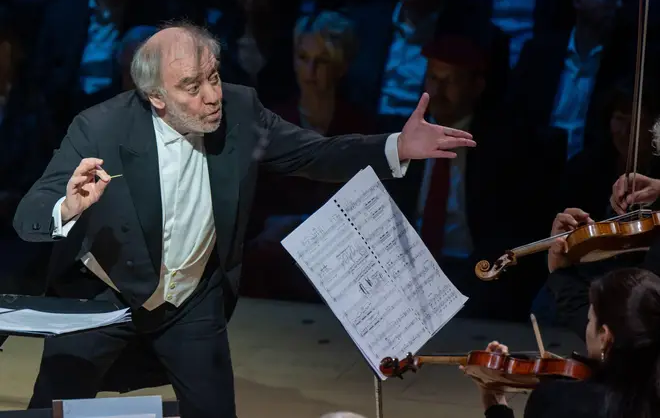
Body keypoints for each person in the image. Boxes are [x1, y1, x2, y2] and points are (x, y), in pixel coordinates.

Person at [12, 22, 476, 418]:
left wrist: (395, 146)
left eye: (213, 77)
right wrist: (68, 208)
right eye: (192, 88)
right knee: (49, 408)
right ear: (156, 97)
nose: (212, 96)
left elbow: (315, 153)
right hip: (105, 294)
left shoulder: (240, 110)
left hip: (190, 302)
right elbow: (28, 216)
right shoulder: (100, 128)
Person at [468, 267, 660, 418]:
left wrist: (495, 406)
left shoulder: (559, 401)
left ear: (605, 336)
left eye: (590, 320)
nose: (587, 327)